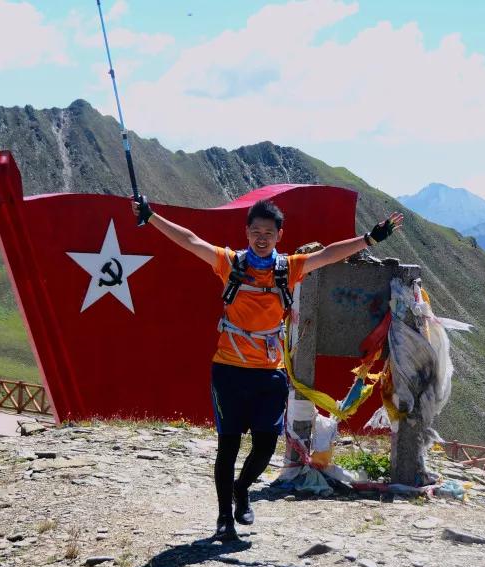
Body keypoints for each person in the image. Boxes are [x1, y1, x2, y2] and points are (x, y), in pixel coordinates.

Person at [132, 195, 404, 540]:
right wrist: (151, 216)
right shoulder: (229, 263)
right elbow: (190, 241)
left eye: (269, 232)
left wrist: (369, 238)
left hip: (269, 372)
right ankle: (223, 519)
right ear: (246, 232)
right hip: (229, 369)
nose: (262, 237)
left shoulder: (288, 268)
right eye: (256, 231)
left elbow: (328, 253)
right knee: (227, 447)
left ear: (279, 235)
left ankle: (242, 489)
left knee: (264, 447)